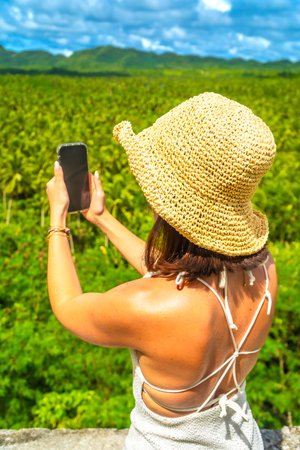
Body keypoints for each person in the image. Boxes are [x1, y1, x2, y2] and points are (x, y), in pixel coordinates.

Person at [47, 92, 277, 449]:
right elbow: (175, 276)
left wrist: (57, 219)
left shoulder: (147, 306)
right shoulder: (262, 271)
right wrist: (102, 219)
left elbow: (67, 304)